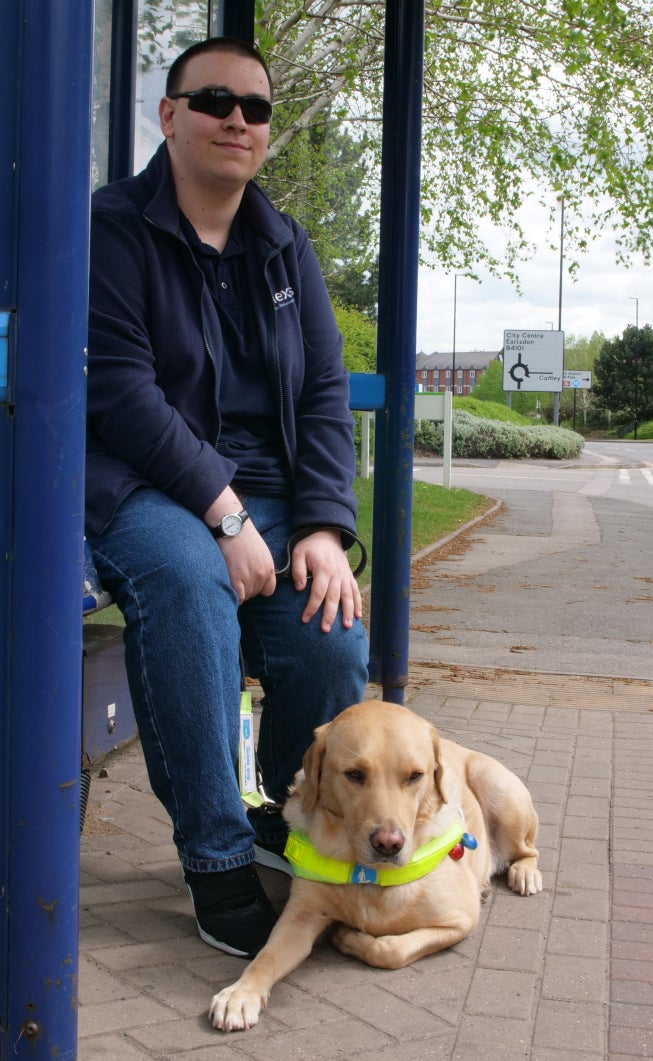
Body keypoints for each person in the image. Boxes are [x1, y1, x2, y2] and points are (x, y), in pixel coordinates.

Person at [85, 36, 370, 958]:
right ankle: (213, 857)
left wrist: (324, 526)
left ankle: (274, 821)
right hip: (144, 483)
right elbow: (122, 394)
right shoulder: (112, 228)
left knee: (333, 638)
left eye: (256, 108)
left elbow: (326, 393)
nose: (237, 120)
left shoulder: (285, 245)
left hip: (273, 495)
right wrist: (225, 513)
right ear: (169, 117)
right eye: (214, 101)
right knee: (185, 588)